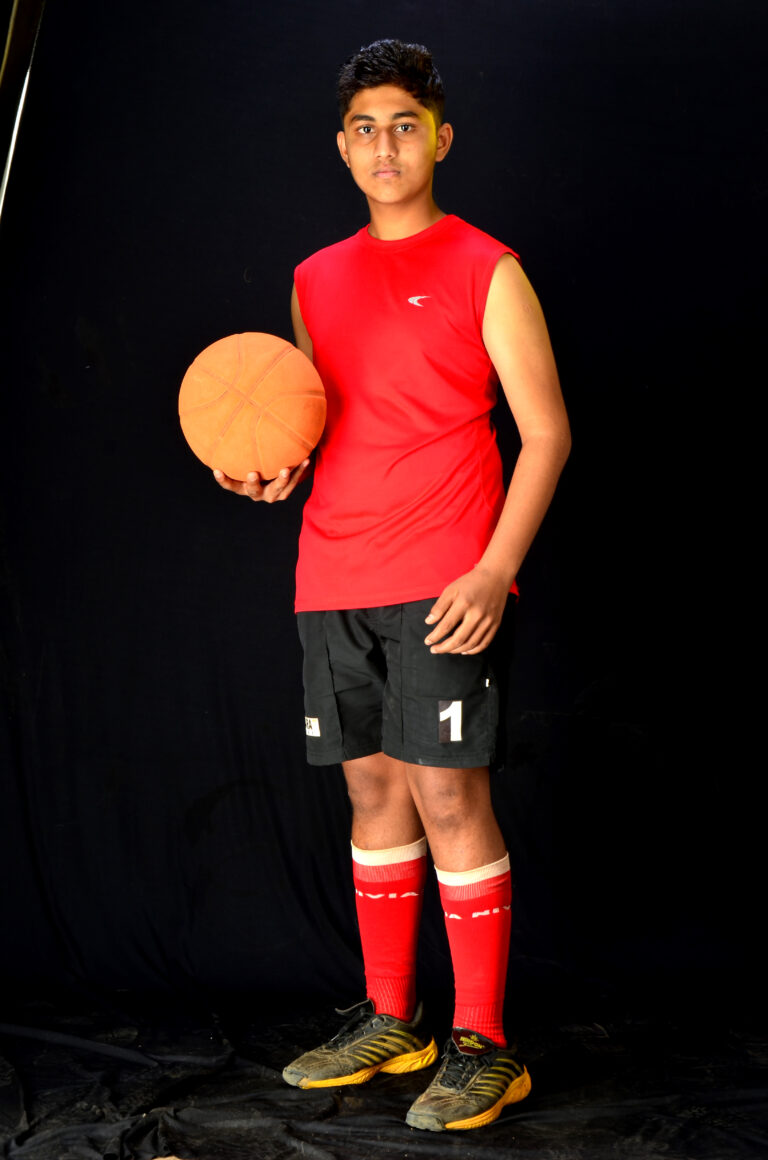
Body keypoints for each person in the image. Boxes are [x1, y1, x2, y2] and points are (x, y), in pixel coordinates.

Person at [214, 38, 571, 1132]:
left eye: (405, 126)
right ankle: (391, 1018)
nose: (385, 146)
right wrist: (269, 466)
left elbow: (548, 432)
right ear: (342, 146)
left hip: (447, 575)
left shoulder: (487, 267)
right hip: (333, 572)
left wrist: (496, 569)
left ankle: (485, 1044)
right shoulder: (314, 279)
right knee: (372, 790)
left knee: (450, 795)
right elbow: (325, 425)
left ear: (441, 139)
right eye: (365, 129)